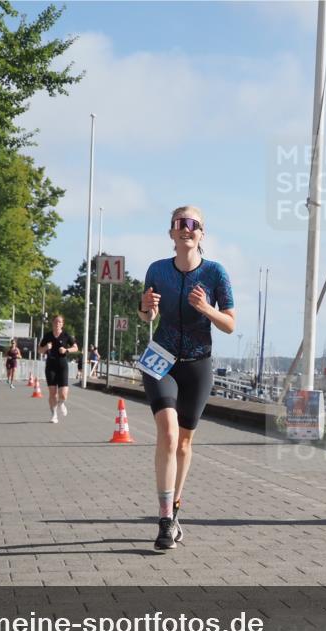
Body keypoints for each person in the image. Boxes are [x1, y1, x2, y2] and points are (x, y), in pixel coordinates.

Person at [139, 206, 235, 551]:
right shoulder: (157, 269)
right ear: (171, 233)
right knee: (166, 432)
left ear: (202, 234)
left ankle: (176, 507)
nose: (186, 229)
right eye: (180, 224)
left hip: (197, 363)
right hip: (160, 360)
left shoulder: (214, 273)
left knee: (183, 443)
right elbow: (148, 313)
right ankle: (164, 519)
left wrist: (206, 308)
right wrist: (145, 306)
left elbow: (229, 324)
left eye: (193, 225)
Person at [38, 314, 79, 424]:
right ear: (52, 323)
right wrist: (46, 347)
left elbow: (76, 347)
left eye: (59, 322)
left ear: (62, 324)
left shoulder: (66, 335)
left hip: (62, 366)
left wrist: (66, 350)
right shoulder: (47, 336)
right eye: (56, 321)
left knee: (63, 395)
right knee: (52, 393)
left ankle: (61, 403)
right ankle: (54, 414)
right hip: (51, 366)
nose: (57, 324)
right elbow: (39, 350)